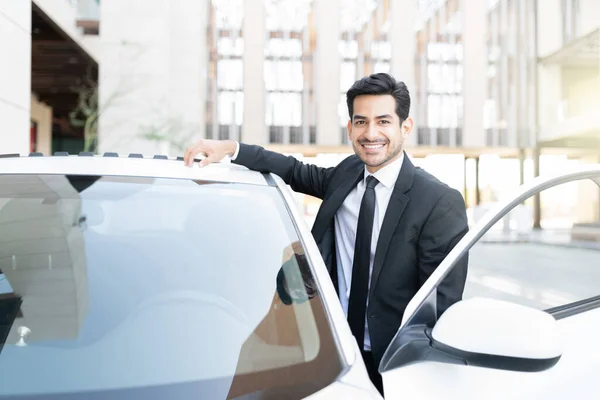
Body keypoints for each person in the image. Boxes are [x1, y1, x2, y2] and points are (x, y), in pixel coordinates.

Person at [184, 72, 469, 395]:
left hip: (397, 368)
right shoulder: (346, 175)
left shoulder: (438, 202)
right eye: (361, 122)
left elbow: (442, 308)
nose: (371, 133)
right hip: (331, 355)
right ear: (350, 129)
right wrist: (231, 149)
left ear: (405, 127)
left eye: (383, 121)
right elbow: (292, 171)